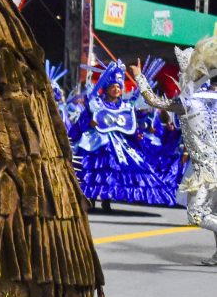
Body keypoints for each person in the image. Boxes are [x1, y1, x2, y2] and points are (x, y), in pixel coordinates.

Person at [132, 43, 217, 263]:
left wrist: (140, 77)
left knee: (197, 214)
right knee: (213, 211)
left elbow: (154, 100)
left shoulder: (188, 103)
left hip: (206, 170)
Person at [69, 60, 175, 210]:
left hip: (119, 143)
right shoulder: (96, 103)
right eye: (113, 86)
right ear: (106, 89)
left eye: (119, 87)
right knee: (94, 171)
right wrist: (89, 124)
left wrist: (139, 134)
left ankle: (107, 199)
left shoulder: (126, 106)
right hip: (96, 142)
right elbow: (82, 121)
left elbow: (132, 124)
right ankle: (90, 198)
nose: (116, 89)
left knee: (115, 171)